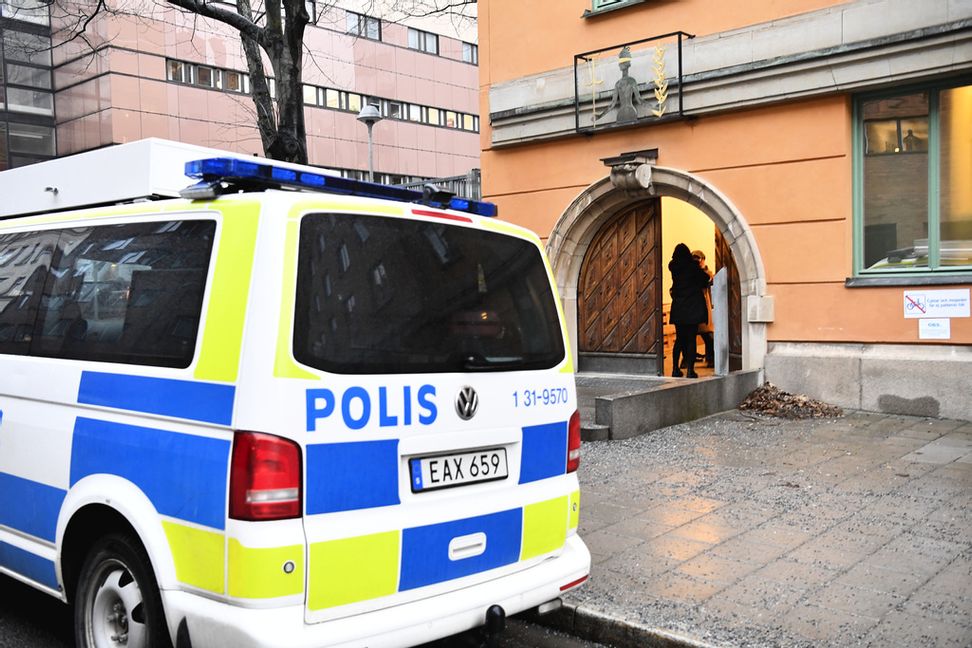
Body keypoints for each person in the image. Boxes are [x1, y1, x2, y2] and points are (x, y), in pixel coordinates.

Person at [668, 243, 710, 378]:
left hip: (679, 307)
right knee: (691, 339)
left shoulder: (674, 268)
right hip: (692, 307)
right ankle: (690, 371)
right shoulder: (692, 267)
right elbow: (705, 280)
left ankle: (675, 369)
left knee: (679, 339)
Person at [595, 46, 644, 125]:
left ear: (624, 64)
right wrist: (599, 116)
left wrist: (599, 116)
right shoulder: (627, 82)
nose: (619, 65)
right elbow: (640, 100)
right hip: (628, 112)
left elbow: (612, 104)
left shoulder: (624, 83)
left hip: (623, 114)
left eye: (620, 63)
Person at [692, 250, 714, 368]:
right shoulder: (689, 273)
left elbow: (708, 279)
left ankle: (710, 358)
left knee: (707, 334)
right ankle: (688, 359)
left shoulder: (706, 273)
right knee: (692, 335)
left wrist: (703, 268)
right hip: (694, 307)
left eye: (698, 259)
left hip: (702, 307)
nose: (697, 261)